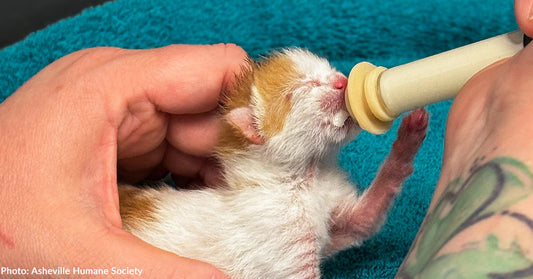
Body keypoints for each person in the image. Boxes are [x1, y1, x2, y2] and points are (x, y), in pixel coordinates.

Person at [1, 1, 532, 278]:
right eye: (299, 94)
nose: (338, 84)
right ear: (253, 133)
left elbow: (355, 227)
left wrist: (399, 158)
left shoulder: (317, 183)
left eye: (325, 70)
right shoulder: (270, 212)